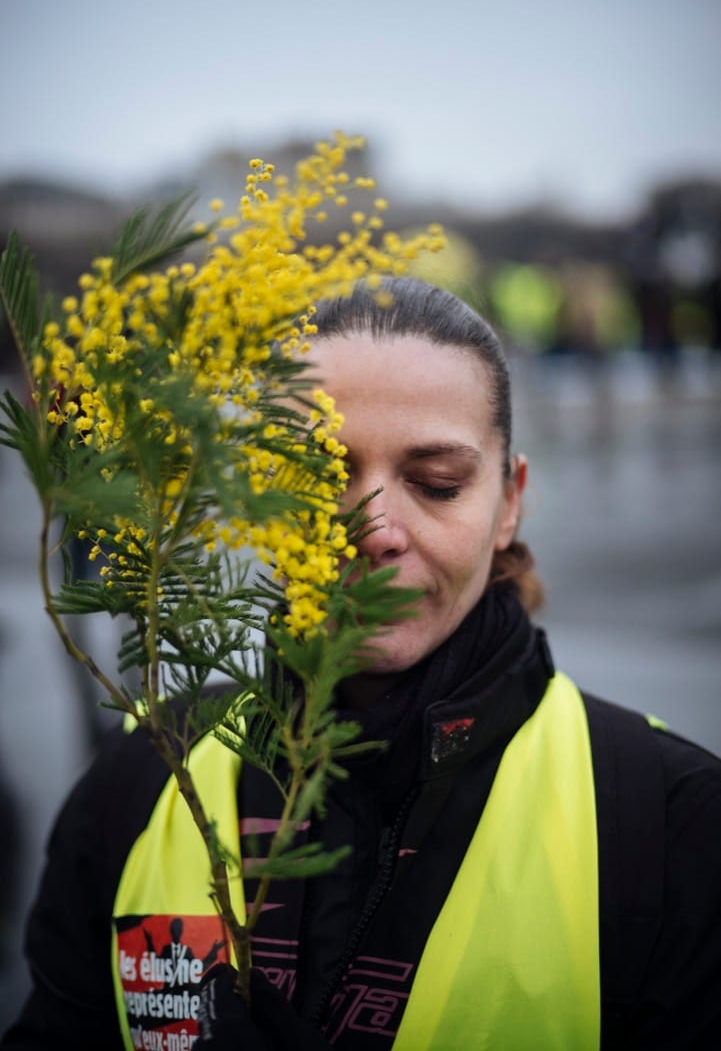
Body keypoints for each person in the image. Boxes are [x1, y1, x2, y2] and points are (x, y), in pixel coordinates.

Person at [2, 276, 720, 1050]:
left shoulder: (672, 818)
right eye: (318, 477)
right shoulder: (139, 776)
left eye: (436, 484)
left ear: (508, 502)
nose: (373, 527)